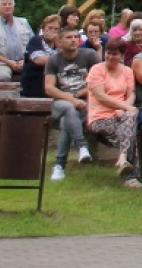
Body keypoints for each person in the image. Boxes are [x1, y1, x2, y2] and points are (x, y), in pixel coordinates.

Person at [86, 37, 142, 188]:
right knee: (130, 128)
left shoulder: (127, 71)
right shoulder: (96, 70)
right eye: (108, 53)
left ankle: (123, 159)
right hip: (100, 117)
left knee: (129, 119)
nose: (110, 57)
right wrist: (125, 108)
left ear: (122, 55)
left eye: (115, 54)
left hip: (121, 116)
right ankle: (130, 175)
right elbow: (100, 96)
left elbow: (131, 94)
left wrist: (124, 109)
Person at [45, 26, 99, 181]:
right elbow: (49, 88)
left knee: (67, 120)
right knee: (69, 108)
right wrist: (72, 99)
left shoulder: (89, 55)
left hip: (83, 104)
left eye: (76, 37)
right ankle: (81, 146)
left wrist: (76, 96)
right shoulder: (54, 60)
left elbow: (97, 83)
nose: (74, 40)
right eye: (69, 37)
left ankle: (59, 166)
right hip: (60, 103)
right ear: (59, 41)